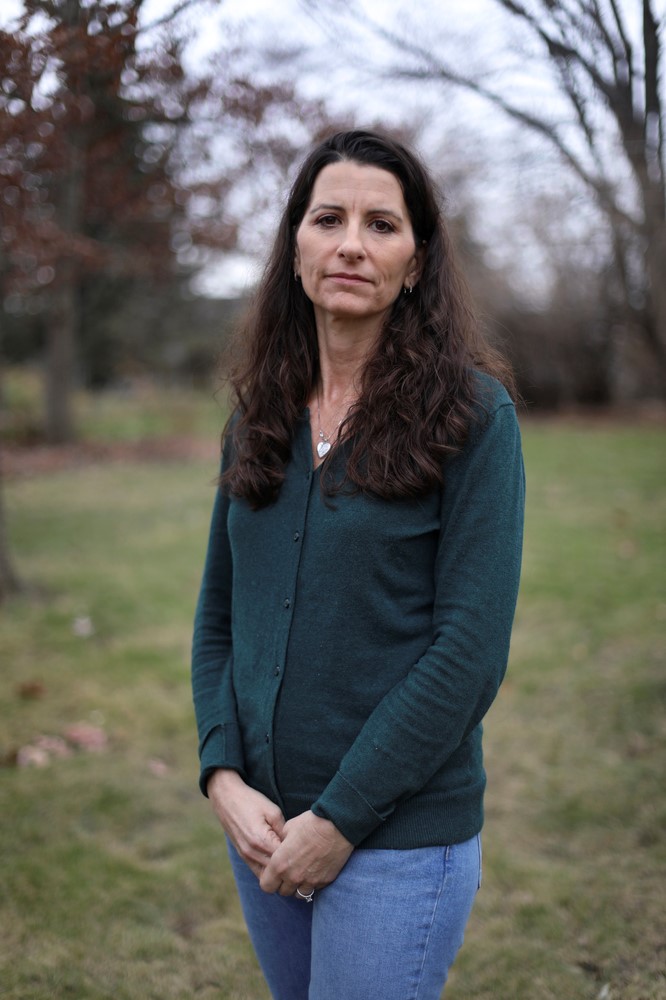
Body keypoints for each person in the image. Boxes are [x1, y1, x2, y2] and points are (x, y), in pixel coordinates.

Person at [191, 128, 524, 1000]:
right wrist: (222, 774)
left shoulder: (474, 418)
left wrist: (339, 820)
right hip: (262, 826)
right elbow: (220, 618)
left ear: (415, 262)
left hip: (397, 840)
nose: (350, 244)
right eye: (328, 218)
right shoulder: (257, 414)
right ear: (295, 244)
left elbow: (470, 649)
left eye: (382, 225)